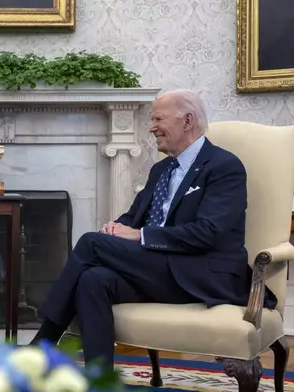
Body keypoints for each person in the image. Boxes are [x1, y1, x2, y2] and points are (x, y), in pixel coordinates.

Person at [30, 89, 275, 368]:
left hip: (202, 273)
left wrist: (139, 235)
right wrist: (118, 226)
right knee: (93, 279)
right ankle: (99, 379)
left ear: (187, 121)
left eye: (158, 118)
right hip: (160, 270)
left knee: (90, 243)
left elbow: (208, 232)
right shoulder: (161, 170)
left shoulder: (224, 166)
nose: (151, 127)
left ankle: (43, 342)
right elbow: (134, 216)